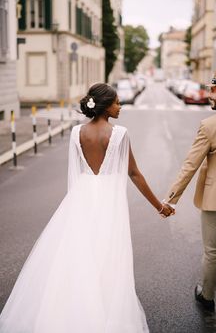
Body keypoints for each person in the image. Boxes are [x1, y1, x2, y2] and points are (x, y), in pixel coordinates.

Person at [0, 83, 174, 333]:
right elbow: (134, 174)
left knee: (77, 254)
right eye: (116, 102)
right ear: (104, 106)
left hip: (80, 198)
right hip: (107, 201)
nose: (120, 106)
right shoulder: (119, 134)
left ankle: (73, 307)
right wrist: (159, 206)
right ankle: (101, 309)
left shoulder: (76, 133)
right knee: (106, 255)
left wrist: (76, 201)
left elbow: (76, 171)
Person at [164, 68, 216, 333]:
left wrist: (171, 199)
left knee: (212, 252)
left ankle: (207, 295)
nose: (209, 95)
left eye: (213, 91)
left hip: (215, 201)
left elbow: (190, 165)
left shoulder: (210, 125)